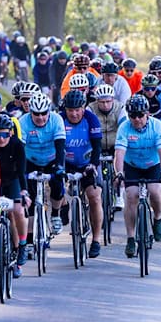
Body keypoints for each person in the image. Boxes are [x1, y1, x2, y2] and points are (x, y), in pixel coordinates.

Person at [114, 95, 161, 258]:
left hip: (153, 164)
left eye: (140, 115)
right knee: (131, 196)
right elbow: (119, 153)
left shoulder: (157, 126)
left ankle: (158, 219)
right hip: (132, 165)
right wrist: (119, 172)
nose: (137, 119)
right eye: (132, 116)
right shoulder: (124, 128)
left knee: (154, 191)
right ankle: (131, 239)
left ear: (147, 114)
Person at [58, 90, 104, 257]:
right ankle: (63, 204)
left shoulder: (91, 119)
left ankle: (96, 239)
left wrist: (93, 164)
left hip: (87, 164)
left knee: (95, 196)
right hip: (67, 163)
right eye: (70, 110)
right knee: (55, 182)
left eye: (78, 109)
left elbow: (97, 146)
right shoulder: (60, 119)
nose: (74, 113)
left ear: (83, 108)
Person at [0, 115, 31, 277]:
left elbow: (22, 172)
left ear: (11, 133)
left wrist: (24, 192)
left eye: (4, 134)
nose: (1, 139)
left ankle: (22, 245)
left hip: (12, 180)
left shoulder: (17, 145)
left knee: (18, 211)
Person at [18, 93, 67, 234]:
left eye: (43, 113)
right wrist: (21, 172)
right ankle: (31, 236)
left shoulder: (56, 120)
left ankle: (55, 214)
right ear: (30, 112)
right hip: (31, 159)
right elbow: (20, 151)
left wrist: (59, 167)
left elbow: (60, 147)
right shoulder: (23, 122)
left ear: (49, 111)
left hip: (52, 158)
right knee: (30, 196)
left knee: (57, 184)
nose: (40, 117)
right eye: (36, 114)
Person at [88, 84, 127, 209]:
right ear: (97, 100)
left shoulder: (120, 108)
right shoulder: (90, 109)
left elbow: (123, 128)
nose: (105, 105)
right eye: (102, 102)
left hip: (114, 143)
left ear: (113, 99)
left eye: (108, 101)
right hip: (97, 143)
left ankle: (119, 195)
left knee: (119, 167)